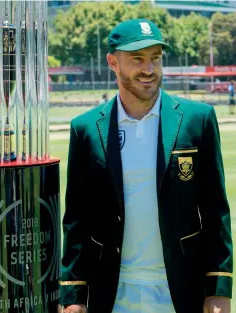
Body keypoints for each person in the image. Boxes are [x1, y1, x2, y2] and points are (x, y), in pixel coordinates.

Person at [59, 19, 232, 313]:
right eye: (137, 59)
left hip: (180, 292)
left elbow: (216, 213)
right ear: (113, 63)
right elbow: (77, 221)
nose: (149, 70)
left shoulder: (197, 120)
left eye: (155, 58)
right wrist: (73, 296)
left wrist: (219, 289)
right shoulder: (85, 128)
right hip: (113, 294)